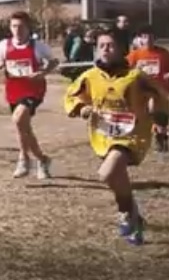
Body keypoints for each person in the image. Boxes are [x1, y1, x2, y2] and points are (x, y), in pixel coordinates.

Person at [63, 30, 168, 246]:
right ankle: (134, 215)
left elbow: (160, 96)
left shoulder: (136, 77)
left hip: (132, 135)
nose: (105, 49)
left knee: (107, 173)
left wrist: (158, 112)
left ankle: (125, 213)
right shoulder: (90, 76)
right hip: (104, 136)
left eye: (110, 45)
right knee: (116, 177)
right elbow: (72, 95)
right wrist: (82, 108)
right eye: (101, 45)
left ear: (122, 50)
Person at [0, 12, 56, 180]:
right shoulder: (4, 45)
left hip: (33, 90)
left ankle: (23, 159)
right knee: (24, 127)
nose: (17, 30)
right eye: (14, 26)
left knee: (18, 119)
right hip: (13, 90)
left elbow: (54, 61)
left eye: (21, 27)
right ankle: (42, 159)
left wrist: (43, 72)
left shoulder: (38, 46)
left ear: (28, 28)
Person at [126, 26, 169, 153]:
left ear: (155, 38)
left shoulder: (163, 53)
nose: (148, 39)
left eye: (150, 37)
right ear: (140, 39)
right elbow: (124, 70)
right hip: (141, 90)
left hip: (158, 90)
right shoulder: (135, 54)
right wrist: (135, 70)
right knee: (144, 115)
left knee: (158, 113)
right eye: (145, 37)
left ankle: (161, 140)